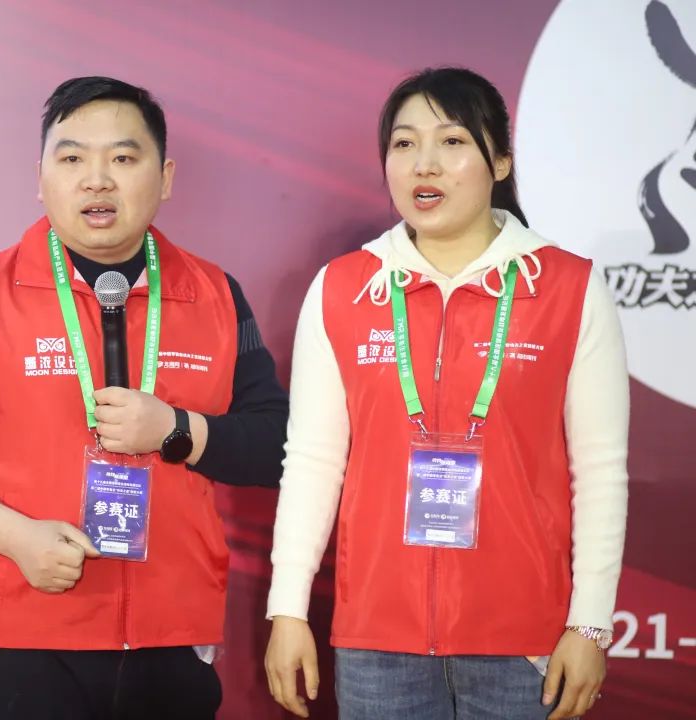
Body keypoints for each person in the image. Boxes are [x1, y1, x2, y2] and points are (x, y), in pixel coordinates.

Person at [0, 75, 289, 720]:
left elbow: (274, 447)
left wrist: (178, 430)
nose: (97, 180)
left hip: (170, 636)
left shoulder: (215, 296)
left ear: (166, 177)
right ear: (41, 178)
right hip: (25, 635)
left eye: (123, 158)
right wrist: (17, 539)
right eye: (72, 159)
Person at [264, 67, 629, 720]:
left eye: (452, 141)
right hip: (378, 642)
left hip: (525, 644)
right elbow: (314, 462)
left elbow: (599, 472)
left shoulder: (568, 289)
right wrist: (287, 608)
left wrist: (591, 624)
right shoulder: (343, 288)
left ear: (501, 160)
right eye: (404, 144)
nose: (423, 164)